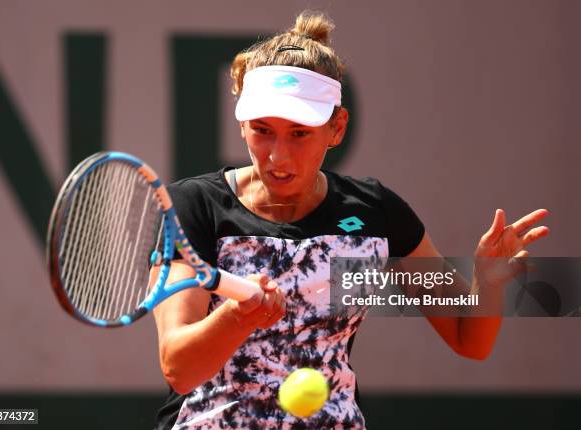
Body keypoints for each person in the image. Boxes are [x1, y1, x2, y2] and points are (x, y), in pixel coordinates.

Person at [152, 12, 550, 430]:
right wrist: (239, 316)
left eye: (300, 133)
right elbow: (179, 368)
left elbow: (468, 338)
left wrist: (486, 285)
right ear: (242, 125)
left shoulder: (374, 213)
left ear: (337, 128)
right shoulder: (193, 207)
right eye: (262, 130)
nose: (278, 156)